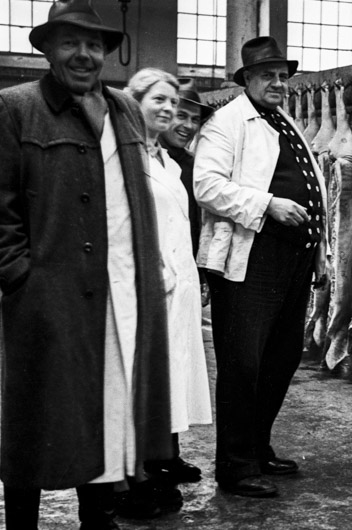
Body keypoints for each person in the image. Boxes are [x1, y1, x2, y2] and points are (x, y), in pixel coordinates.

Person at [0, 1, 172, 528]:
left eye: (94, 44)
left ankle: (98, 520)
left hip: (119, 289)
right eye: (70, 42)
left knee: (109, 414)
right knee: (35, 420)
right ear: (47, 49)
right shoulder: (15, 107)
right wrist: (19, 276)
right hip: (46, 294)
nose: (84, 54)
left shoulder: (122, 107)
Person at [194, 36, 328, 498]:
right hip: (250, 259)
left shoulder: (281, 119)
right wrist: (267, 204)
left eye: (283, 76)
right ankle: (235, 464)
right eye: (268, 75)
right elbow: (206, 186)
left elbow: (313, 190)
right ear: (246, 79)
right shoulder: (227, 123)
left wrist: (319, 254)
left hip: (293, 258)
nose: (278, 83)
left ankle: (257, 445)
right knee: (242, 362)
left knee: (281, 357)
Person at [122, 68, 213, 513]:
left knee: (166, 378)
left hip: (178, 283)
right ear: (132, 102)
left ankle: (154, 463)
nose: (168, 109)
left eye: (172, 103)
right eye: (157, 100)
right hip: (143, 286)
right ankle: (130, 481)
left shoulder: (167, 160)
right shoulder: (124, 156)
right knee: (139, 380)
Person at [159, 78, 214, 308]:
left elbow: (197, 226)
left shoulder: (196, 167)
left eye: (195, 120)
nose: (189, 126)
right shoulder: (144, 159)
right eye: (181, 116)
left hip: (184, 268)